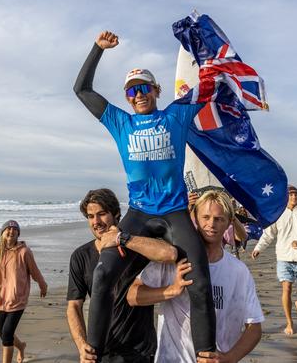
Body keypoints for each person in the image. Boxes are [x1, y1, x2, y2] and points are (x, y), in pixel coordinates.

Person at [73, 31, 216, 357]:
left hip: (175, 213)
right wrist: (98, 48)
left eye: (144, 88)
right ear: (127, 97)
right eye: (132, 90)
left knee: (200, 276)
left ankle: (207, 352)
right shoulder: (119, 122)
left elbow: (209, 83)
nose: (138, 94)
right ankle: (93, 349)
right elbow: (81, 89)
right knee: (103, 273)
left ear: (156, 91)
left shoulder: (176, 115)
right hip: (139, 213)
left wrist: (203, 41)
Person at [128, 190, 264, 362]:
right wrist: (171, 290)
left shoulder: (238, 271)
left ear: (229, 222)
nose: (211, 224)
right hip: (172, 358)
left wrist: (229, 358)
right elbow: (132, 295)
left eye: (218, 219)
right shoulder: (174, 261)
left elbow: (254, 327)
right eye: (205, 217)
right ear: (195, 220)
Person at [66, 189, 177, 362]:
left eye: (102, 214)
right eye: (90, 216)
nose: (96, 221)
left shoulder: (136, 247)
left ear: (117, 214)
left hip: (139, 351)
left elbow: (169, 253)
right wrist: (82, 345)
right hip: (101, 351)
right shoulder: (81, 256)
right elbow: (74, 305)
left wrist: (124, 239)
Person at [251, 185, 297, 335]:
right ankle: (289, 322)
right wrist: (258, 248)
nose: (293, 197)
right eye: (290, 194)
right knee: (286, 288)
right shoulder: (277, 214)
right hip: (283, 258)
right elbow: (268, 235)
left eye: (295, 194)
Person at [0, 220, 48, 363]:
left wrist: (43, 285)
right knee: (3, 333)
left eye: (14, 230)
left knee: (7, 334)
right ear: (2, 233)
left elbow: (35, 271)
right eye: (8, 229)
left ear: (18, 234)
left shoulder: (24, 252)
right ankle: (21, 346)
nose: (11, 231)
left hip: (18, 299)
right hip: (1, 299)